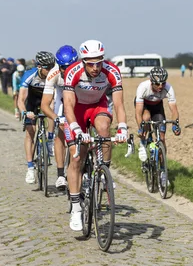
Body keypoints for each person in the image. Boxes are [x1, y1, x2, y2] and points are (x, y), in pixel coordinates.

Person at [63, 39, 128, 232]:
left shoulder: (112, 71)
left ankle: (103, 174)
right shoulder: (73, 72)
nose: (95, 67)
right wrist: (75, 128)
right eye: (91, 63)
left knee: (104, 129)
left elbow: (118, 104)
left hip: (97, 106)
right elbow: (68, 104)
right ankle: (76, 209)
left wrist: (123, 127)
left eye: (99, 62)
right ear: (83, 61)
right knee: (77, 157)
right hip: (78, 110)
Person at [134, 66, 180, 187]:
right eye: (157, 83)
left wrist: (175, 124)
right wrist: (141, 127)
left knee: (162, 139)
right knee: (146, 118)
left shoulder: (169, 88)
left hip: (157, 108)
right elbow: (138, 112)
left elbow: (174, 109)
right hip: (144, 106)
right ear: (151, 81)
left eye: (163, 83)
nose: (160, 86)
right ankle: (143, 143)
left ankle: (163, 172)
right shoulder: (143, 87)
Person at [41, 44, 78, 190]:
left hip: (79, 97)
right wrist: (57, 118)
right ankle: (61, 175)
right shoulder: (53, 74)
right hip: (61, 99)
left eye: (70, 67)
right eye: (63, 67)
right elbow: (45, 105)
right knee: (61, 133)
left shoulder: (81, 71)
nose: (66, 70)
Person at [18, 51, 56, 184]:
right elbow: (21, 99)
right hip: (32, 102)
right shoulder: (29, 75)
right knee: (31, 132)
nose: (51, 69)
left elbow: (56, 98)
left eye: (53, 66)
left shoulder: (54, 75)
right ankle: (30, 168)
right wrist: (24, 112)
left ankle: (50, 140)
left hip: (47, 100)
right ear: (39, 67)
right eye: (48, 67)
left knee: (52, 110)